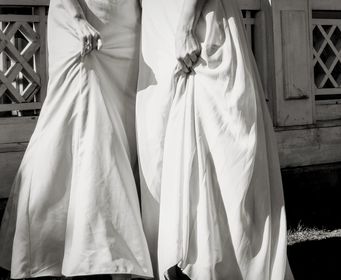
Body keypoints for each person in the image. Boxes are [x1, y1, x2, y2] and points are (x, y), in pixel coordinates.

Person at [137, 0, 294, 279]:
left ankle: (220, 265)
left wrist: (186, 25)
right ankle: (179, 259)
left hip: (196, 20)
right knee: (161, 142)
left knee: (218, 141)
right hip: (158, 24)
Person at [0, 0, 152, 279]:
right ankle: (63, 250)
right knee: (81, 122)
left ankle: (100, 245)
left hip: (126, 26)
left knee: (120, 130)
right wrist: (77, 18)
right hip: (82, 23)